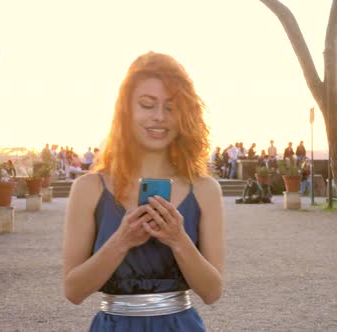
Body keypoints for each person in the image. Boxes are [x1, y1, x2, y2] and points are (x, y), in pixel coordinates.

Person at [63, 52, 224, 332]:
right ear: (126, 110)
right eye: (147, 105)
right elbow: (73, 291)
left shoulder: (205, 189)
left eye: (171, 107)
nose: (159, 117)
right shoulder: (87, 189)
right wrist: (121, 241)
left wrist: (178, 240)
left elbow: (212, 292)